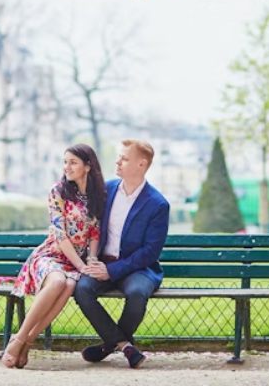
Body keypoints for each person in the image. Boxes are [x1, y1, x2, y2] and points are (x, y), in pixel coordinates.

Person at [1, 144, 106, 369]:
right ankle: (18, 338)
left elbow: (95, 231)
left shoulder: (98, 195)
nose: (67, 167)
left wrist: (92, 259)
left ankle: (28, 343)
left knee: (68, 286)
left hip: (75, 261)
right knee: (58, 280)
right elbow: (59, 233)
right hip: (51, 255)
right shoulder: (58, 191)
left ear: (87, 167)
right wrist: (81, 266)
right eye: (65, 161)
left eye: (73, 162)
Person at [75, 139, 169, 369]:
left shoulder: (158, 204)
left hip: (138, 268)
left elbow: (150, 252)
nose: (118, 161)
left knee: (137, 293)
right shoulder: (106, 190)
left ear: (141, 164)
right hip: (102, 261)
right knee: (82, 289)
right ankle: (125, 345)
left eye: (125, 158)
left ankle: (110, 345)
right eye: (119, 156)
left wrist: (112, 270)